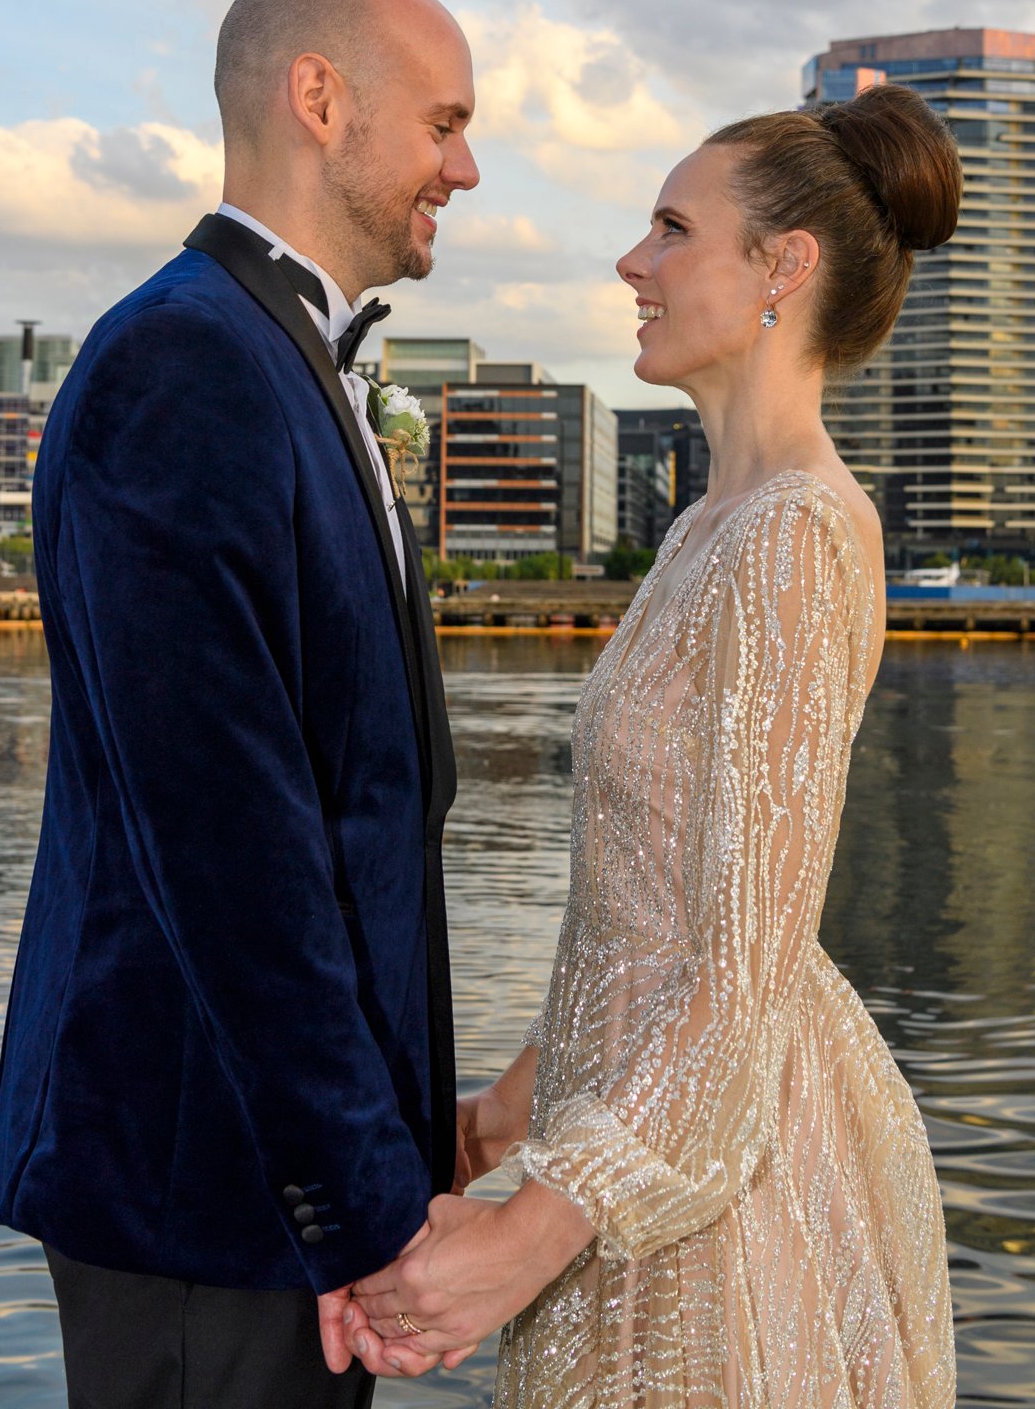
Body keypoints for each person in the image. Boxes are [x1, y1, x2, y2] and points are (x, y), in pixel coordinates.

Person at [347, 82, 961, 1407]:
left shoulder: (793, 535)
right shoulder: (705, 528)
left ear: (782, 269)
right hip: (624, 1129)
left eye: (673, 229)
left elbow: (740, 968)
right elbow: (643, 909)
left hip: (716, 1183)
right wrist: (504, 1116)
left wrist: (528, 1234)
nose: (633, 261)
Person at [0, 0, 480, 1408]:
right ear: (318, 99)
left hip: (270, 1182)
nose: (464, 168)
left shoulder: (267, 355)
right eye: (443, 123)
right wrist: (358, 1202)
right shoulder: (184, 364)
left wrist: (400, 1148)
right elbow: (227, 846)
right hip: (207, 1185)